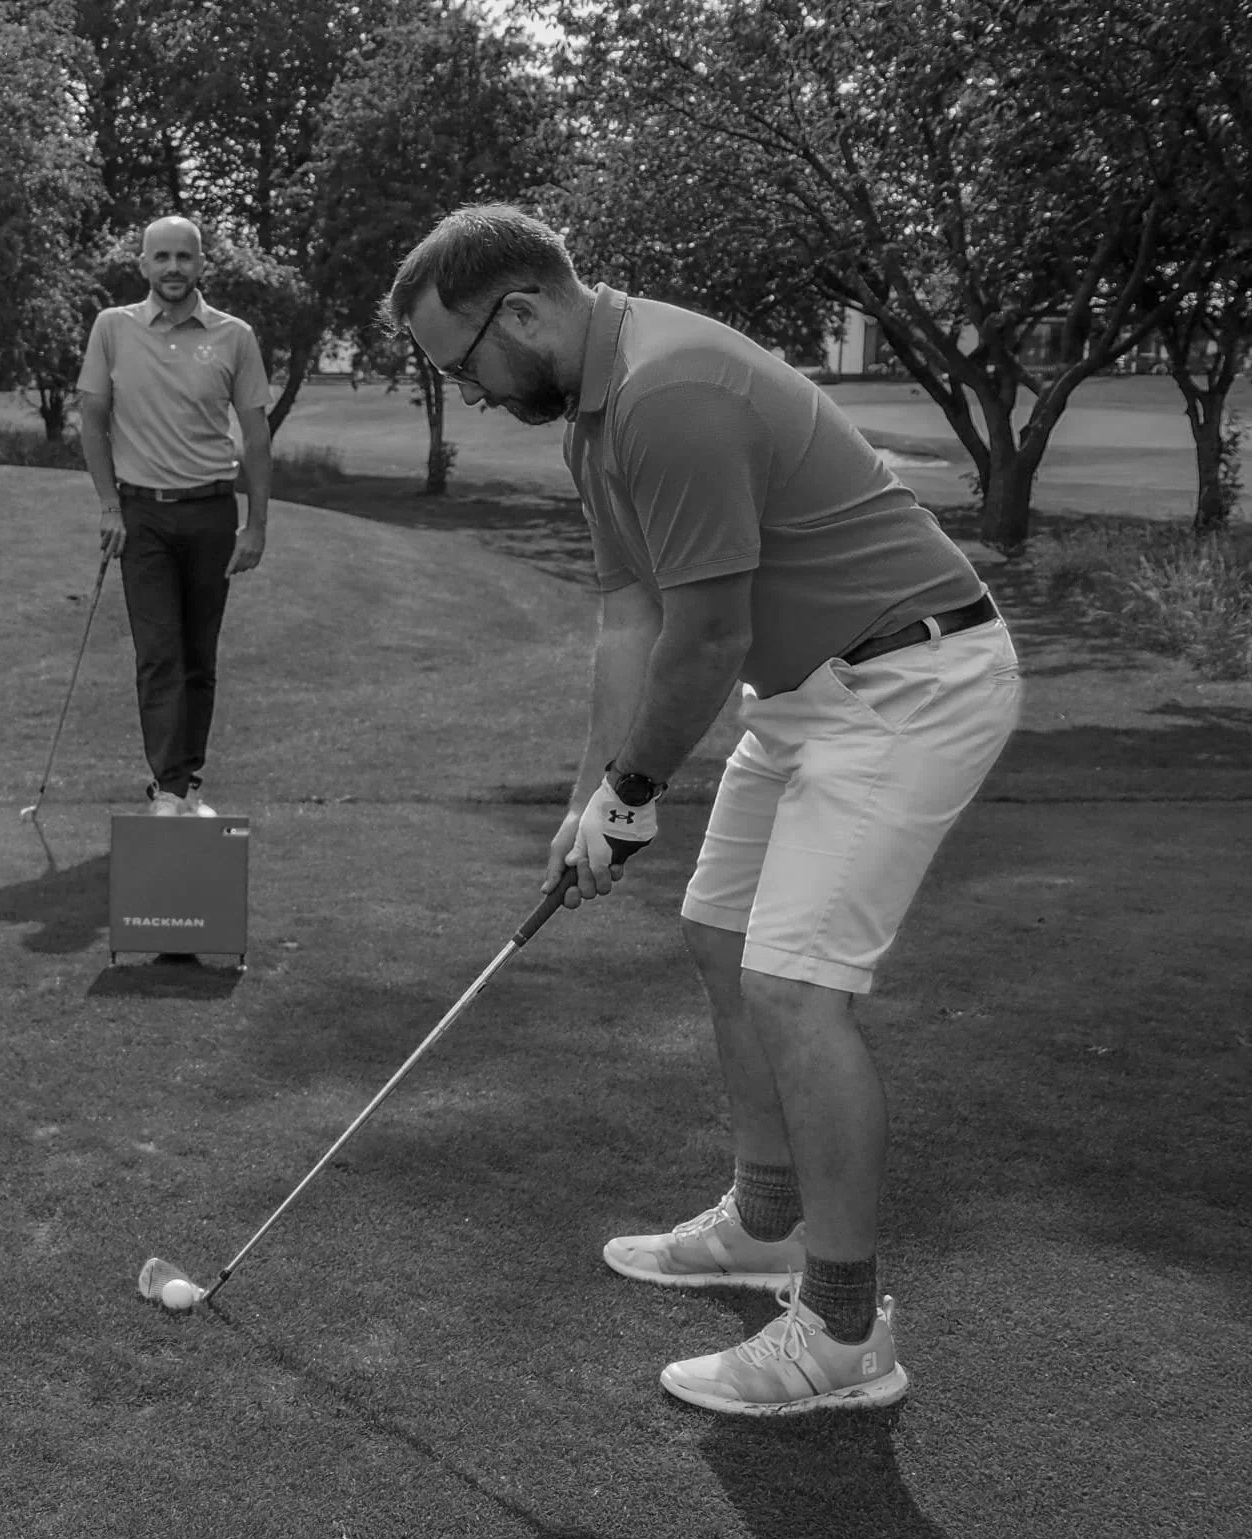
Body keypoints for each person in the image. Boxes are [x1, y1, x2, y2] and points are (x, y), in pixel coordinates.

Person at [384, 205, 1021, 1416]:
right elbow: (628, 623)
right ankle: (768, 1223)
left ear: (519, 312)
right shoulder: (592, 421)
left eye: (460, 365)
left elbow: (706, 633)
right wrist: (587, 804)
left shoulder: (670, 390)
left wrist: (633, 792)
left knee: (794, 985)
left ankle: (841, 1335)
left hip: (908, 682)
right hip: (805, 698)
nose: (463, 394)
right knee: (720, 937)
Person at [77, 217, 273, 816]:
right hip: (143, 517)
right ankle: (168, 787)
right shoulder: (113, 328)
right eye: (161, 257)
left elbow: (257, 436)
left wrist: (257, 523)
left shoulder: (234, 336)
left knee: (198, 657)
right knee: (159, 653)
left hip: (211, 511)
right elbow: (91, 420)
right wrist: (109, 505)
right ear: (142, 264)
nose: (173, 268)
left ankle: (186, 781)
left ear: (200, 264)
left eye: (184, 257)